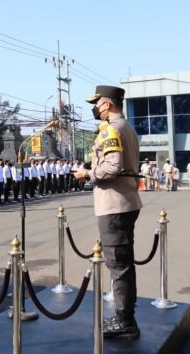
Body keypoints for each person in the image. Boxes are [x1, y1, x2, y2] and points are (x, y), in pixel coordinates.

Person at [74, 85, 142, 339]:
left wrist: (87, 173)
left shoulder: (112, 129)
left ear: (107, 104)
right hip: (124, 202)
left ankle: (125, 320)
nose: (95, 108)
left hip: (114, 204)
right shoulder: (125, 127)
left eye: (97, 103)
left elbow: (112, 167)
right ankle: (126, 315)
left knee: (118, 264)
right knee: (123, 262)